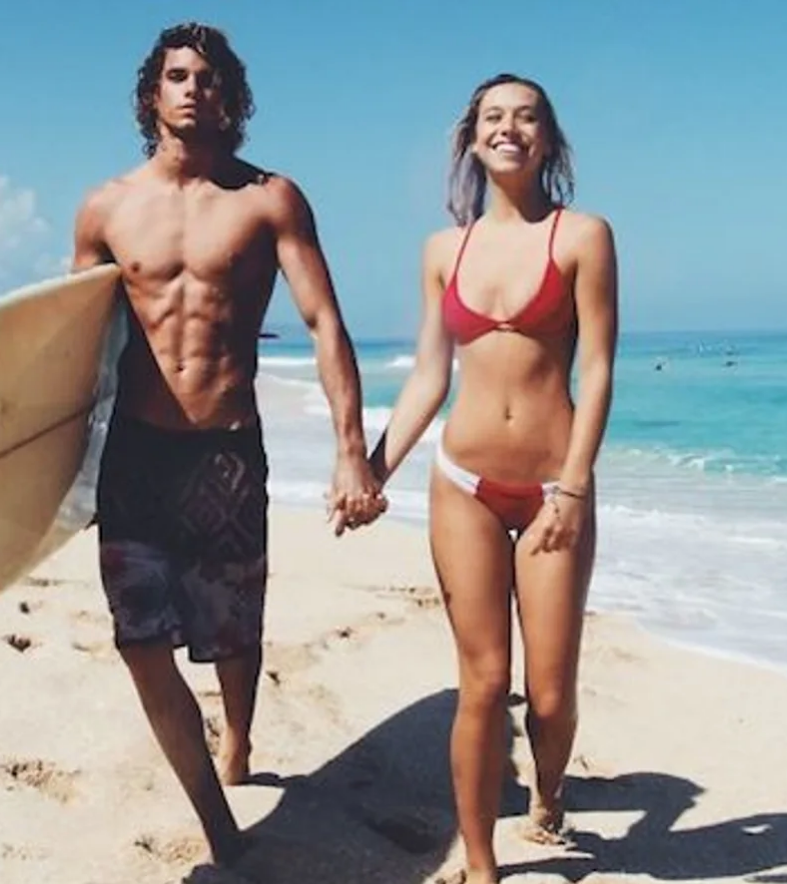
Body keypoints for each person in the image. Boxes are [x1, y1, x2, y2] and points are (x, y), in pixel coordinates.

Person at [69, 21, 386, 868]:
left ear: (230, 97)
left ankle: (239, 738)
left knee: (233, 633)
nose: (191, 89)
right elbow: (69, 345)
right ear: (151, 94)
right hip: (135, 454)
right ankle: (217, 822)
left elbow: (323, 323)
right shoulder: (105, 208)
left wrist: (351, 449)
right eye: (176, 75)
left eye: (208, 78)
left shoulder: (269, 199)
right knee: (140, 642)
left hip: (226, 455)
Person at [362, 72, 619, 882]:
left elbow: (602, 368)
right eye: (493, 117)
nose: (509, 128)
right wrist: (372, 469)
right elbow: (428, 377)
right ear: (473, 139)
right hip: (462, 481)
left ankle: (548, 793)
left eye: (526, 117)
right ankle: (480, 864)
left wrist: (574, 487)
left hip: (552, 489)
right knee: (484, 680)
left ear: (548, 138)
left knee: (548, 695)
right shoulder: (445, 251)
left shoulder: (582, 236)